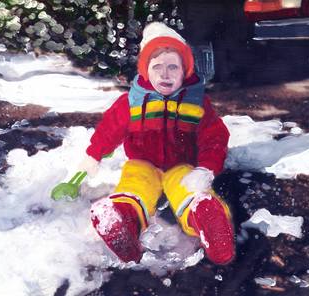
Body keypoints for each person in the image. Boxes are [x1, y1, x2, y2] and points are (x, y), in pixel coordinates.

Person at [78, 22, 235, 265]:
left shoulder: (196, 103)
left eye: (173, 67)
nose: (165, 74)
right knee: (135, 186)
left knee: (189, 190)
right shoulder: (130, 103)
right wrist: (94, 154)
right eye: (157, 67)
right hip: (143, 162)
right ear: (145, 70)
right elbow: (108, 130)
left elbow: (215, 138)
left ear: (186, 71)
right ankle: (122, 220)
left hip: (181, 165)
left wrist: (206, 168)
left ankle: (208, 219)